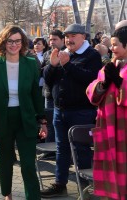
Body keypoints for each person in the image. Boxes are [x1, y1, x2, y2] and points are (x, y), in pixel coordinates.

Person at [0, 25, 48, 200]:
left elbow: (35, 94)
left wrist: (43, 121)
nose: (14, 44)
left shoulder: (30, 64)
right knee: (5, 163)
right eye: (10, 41)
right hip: (2, 119)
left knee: (28, 164)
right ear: (3, 42)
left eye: (17, 41)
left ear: (23, 43)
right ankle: (7, 195)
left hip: (25, 119)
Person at [41, 24, 102, 198]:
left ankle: (86, 188)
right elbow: (48, 80)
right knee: (62, 149)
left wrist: (67, 65)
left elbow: (90, 79)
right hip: (60, 110)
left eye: (73, 35)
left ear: (83, 37)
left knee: (81, 150)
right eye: (66, 36)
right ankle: (60, 184)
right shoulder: (61, 54)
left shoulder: (92, 55)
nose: (69, 39)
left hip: (81, 111)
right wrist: (52, 66)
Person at [86, 25, 127, 200]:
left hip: (123, 130)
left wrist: (120, 83)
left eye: (115, 44)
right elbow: (91, 91)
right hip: (108, 128)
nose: (111, 48)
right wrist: (103, 85)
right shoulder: (108, 67)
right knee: (110, 170)